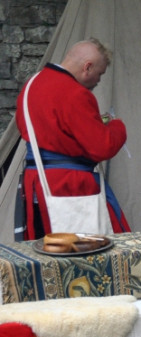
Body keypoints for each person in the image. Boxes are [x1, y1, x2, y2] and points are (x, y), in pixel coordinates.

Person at [15, 38, 129, 240]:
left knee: (44, 249)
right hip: (69, 185)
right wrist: (116, 126)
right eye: (99, 74)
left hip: (35, 182)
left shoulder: (30, 85)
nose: (98, 81)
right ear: (87, 67)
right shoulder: (75, 94)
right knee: (86, 253)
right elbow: (103, 147)